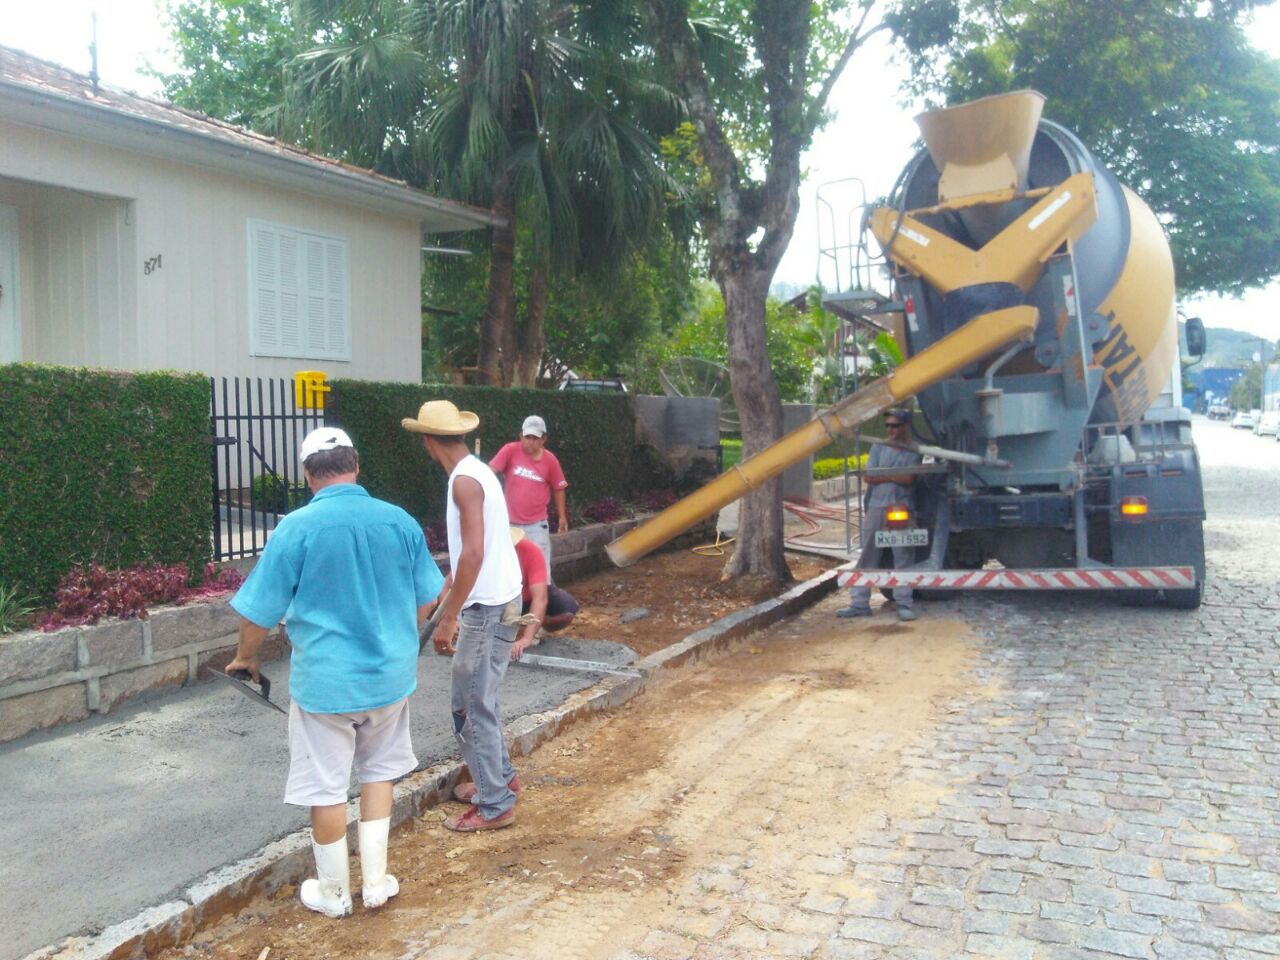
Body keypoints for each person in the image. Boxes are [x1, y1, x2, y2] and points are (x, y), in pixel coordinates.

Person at [226, 427, 444, 919]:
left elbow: (258, 612)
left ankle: (333, 893)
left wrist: (246, 658)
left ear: (307, 474)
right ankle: (374, 885)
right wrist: (398, 639)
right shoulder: (398, 521)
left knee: (325, 786)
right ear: (356, 464)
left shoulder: (297, 528)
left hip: (325, 684)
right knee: (380, 771)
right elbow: (427, 595)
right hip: (389, 677)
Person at [402, 399, 524, 832]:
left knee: (469, 708)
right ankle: (501, 778)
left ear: (428, 442)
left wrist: (450, 615)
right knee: (480, 701)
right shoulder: (478, 472)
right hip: (504, 598)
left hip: (486, 608)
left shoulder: (463, 483)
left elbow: (475, 550)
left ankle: (495, 803)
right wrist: (451, 578)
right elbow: (481, 546)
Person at [837, 409, 923, 622]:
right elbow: (869, 477)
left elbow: (909, 479)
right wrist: (894, 476)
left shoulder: (914, 449)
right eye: (888, 426)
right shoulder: (878, 446)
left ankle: (903, 604)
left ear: (905, 426)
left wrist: (883, 475)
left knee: (902, 556)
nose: (890, 430)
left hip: (902, 508)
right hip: (877, 507)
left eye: (894, 426)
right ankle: (859, 603)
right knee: (868, 555)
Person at [489, 415, 568, 581]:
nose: (530, 442)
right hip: (510, 524)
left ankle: (545, 602)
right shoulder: (510, 450)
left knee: (541, 572)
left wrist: (562, 517)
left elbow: (558, 488)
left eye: (535, 438)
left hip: (537, 525)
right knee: (510, 570)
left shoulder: (550, 460)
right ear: (521, 436)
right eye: (527, 437)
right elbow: (490, 472)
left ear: (543, 440)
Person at [509, 526, 579, 661]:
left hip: (525, 599)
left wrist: (526, 638)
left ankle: (532, 626)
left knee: (567, 608)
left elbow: (540, 598)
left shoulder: (529, 550)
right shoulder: (482, 554)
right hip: (500, 601)